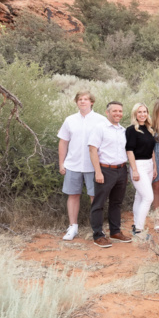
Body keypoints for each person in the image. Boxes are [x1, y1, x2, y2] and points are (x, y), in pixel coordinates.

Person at [57, 90, 108, 240]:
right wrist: (62, 163)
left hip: (93, 166)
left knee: (95, 196)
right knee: (73, 195)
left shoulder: (101, 120)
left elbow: (106, 143)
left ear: (91, 102)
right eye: (80, 99)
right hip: (73, 164)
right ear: (76, 102)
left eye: (86, 99)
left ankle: (97, 230)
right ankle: (73, 227)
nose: (82, 101)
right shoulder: (70, 120)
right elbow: (63, 142)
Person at [88, 101, 130, 248]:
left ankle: (115, 231)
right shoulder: (100, 128)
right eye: (114, 111)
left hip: (121, 170)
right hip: (105, 170)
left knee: (116, 203)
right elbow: (92, 150)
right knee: (99, 203)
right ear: (107, 112)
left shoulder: (123, 130)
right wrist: (98, 171)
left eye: (120, 111)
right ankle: (98, 235)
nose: (118, 113)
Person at [125, 103, 157, 236]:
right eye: (139, 112)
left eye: (144, 111)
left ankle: (135, 224)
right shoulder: (131, 130)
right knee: (149, 197)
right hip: (138, 165)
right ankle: (139, 230)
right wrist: (134, 170)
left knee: (140, 196)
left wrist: (154, 167)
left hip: (149, 164)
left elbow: (152, 150)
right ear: (135, 114)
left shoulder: (149, 129)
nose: (142, 114)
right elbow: (129, 150)